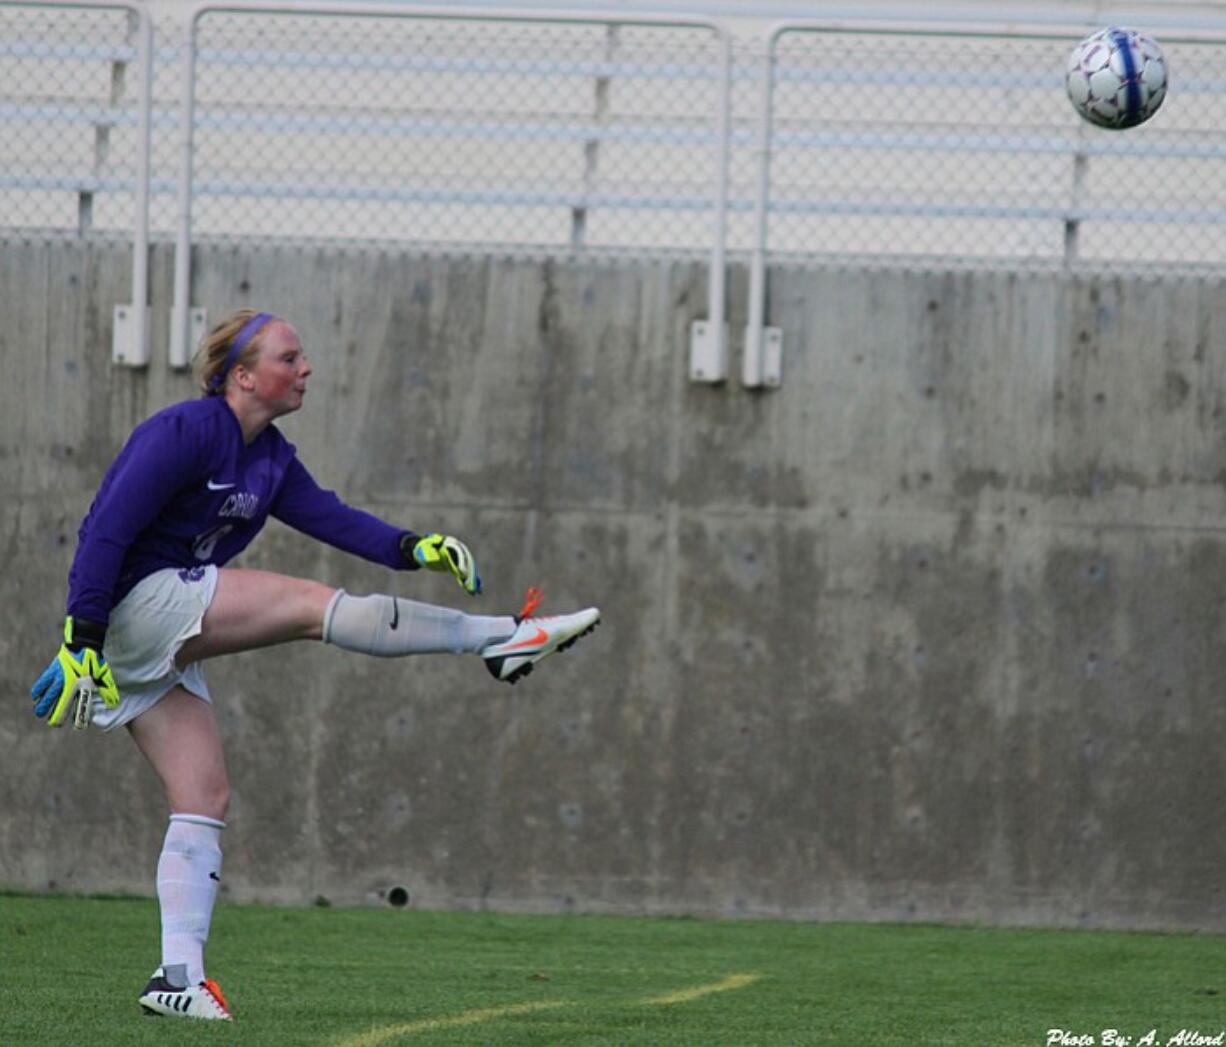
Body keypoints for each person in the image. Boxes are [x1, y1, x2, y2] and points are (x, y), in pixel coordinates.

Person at [28, 309, 600, 1022]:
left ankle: (176, 975)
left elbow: (331, 516)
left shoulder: (271, 455)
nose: (305, 369)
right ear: (242, 374)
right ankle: (502, 638)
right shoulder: (184, 432)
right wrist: (81, 636)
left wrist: (412, 545)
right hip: (132, 608)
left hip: (148, 634)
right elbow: (105, 528)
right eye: (289, 357)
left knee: (204, 797)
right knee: (312, 606)